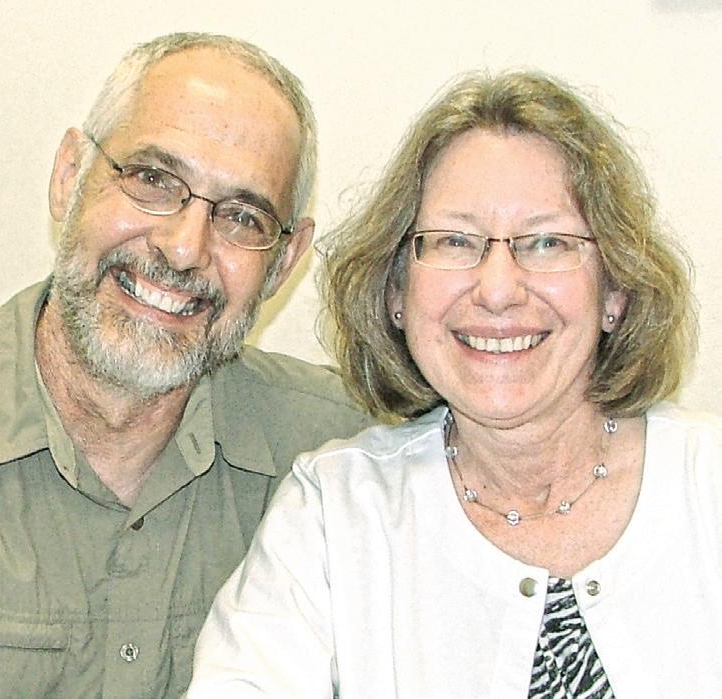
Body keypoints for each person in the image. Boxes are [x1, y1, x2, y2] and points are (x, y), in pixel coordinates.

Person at [187, 70, 721, 698]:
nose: (497, 290)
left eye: (547, 242)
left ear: (615, 292)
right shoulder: (332, 516)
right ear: (396, 293)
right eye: (454, 241)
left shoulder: (707, 483)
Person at [0, 32, 372, 698]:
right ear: (68, 176)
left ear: (284, 261)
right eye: (153, 180)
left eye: (243, 217)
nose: (183, 247)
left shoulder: (345, 463)